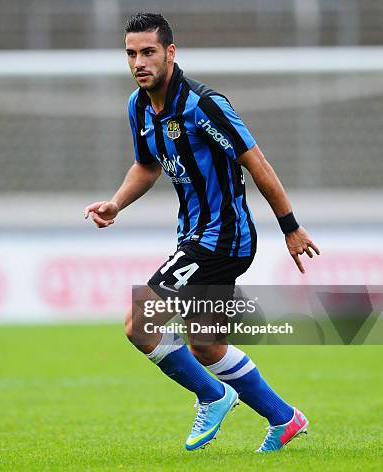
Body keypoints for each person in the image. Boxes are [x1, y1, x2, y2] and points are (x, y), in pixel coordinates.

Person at [84, 12, 320, 452]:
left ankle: (213, 395)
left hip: (222, 238)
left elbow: (257, 161)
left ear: (170, 53)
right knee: (207, 346)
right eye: (132, 54)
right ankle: (284, 418)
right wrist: (116, 202)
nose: (139, 62)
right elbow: (147, 165)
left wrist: (290, 227)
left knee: (139, 324)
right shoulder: (138, 106)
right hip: (194, 237)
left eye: (149, 52)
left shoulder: (203, 104)